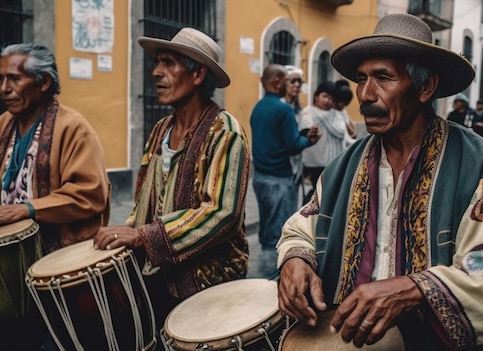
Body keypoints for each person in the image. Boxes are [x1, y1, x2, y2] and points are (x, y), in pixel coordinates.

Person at [276, 13, 483, 350]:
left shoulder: (480, 168)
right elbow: (302, 225)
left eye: (383, 77)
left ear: (425, 87)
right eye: (361, 78)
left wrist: (415, 289)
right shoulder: (343, 166)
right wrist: (296, 259)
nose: (366, 94)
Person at [0, 43, 111, 351]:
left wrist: (26, 209)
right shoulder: (0, 127)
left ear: (44, 82)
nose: (4, 88)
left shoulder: (74, 128)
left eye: (14, 79)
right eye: (0, 79)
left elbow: (89, 193)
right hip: (5, 265)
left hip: (56, 266)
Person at [92, 28, 251, 338]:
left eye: (169, 63)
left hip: (208, 283)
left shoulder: (225, 132)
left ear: (198, 74)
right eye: (157, 63)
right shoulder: (162, 129)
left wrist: (143, 236)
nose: (156, 72)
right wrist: (123, 236)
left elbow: (222, 214)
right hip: (159, 276)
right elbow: (145, 199)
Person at [250, 64, 321, 249]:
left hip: (259, 178)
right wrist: (310, 141)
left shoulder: (258, 107)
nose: (289, 84)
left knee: (266, 228)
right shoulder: (284, 110)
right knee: (280, 233)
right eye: (286, 80)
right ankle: (274, 274)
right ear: (276, 81)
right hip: (280, 178)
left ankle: (264, 265)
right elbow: (294, 145)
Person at [300, 81, 345, 203]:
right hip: (314, 163)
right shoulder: (307, 112)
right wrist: (324, 118)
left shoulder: (335, 113)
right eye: (324, 96)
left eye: (331, 98)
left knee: (329, 195)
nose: (327, 101)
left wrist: (322, 118)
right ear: (316, 96)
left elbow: (341, 132)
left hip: (332, 161)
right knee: (315, 195)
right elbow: (306, 132)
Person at [282, 65, 306, 203]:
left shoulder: (298, 109)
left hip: (296, 167)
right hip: (282, 167)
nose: (297, 85)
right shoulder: (279, 106)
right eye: (292, 81)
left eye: (299, 82)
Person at [334, 79, 358, 148]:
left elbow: (352, 131)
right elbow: (348, 138)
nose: (343, 106)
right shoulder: (333, 113)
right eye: (343, 103)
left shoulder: (342, 111)